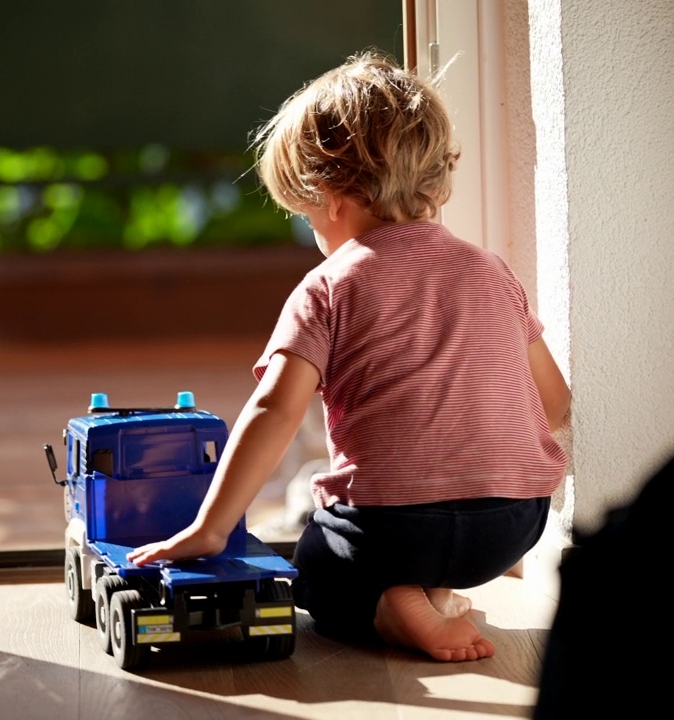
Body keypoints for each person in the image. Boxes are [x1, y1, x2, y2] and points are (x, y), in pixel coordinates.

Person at [127, 50, 571, 663]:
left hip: (390, 534)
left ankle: (397, 604)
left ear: (333, 199)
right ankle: (433, 592)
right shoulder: (491, 271)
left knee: (313, 570)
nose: (313, 231)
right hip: (514, 527)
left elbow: (274, 413)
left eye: (305, 215)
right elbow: (555, 403)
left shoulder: (329, 286)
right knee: (430, 531)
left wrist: (210, 527)